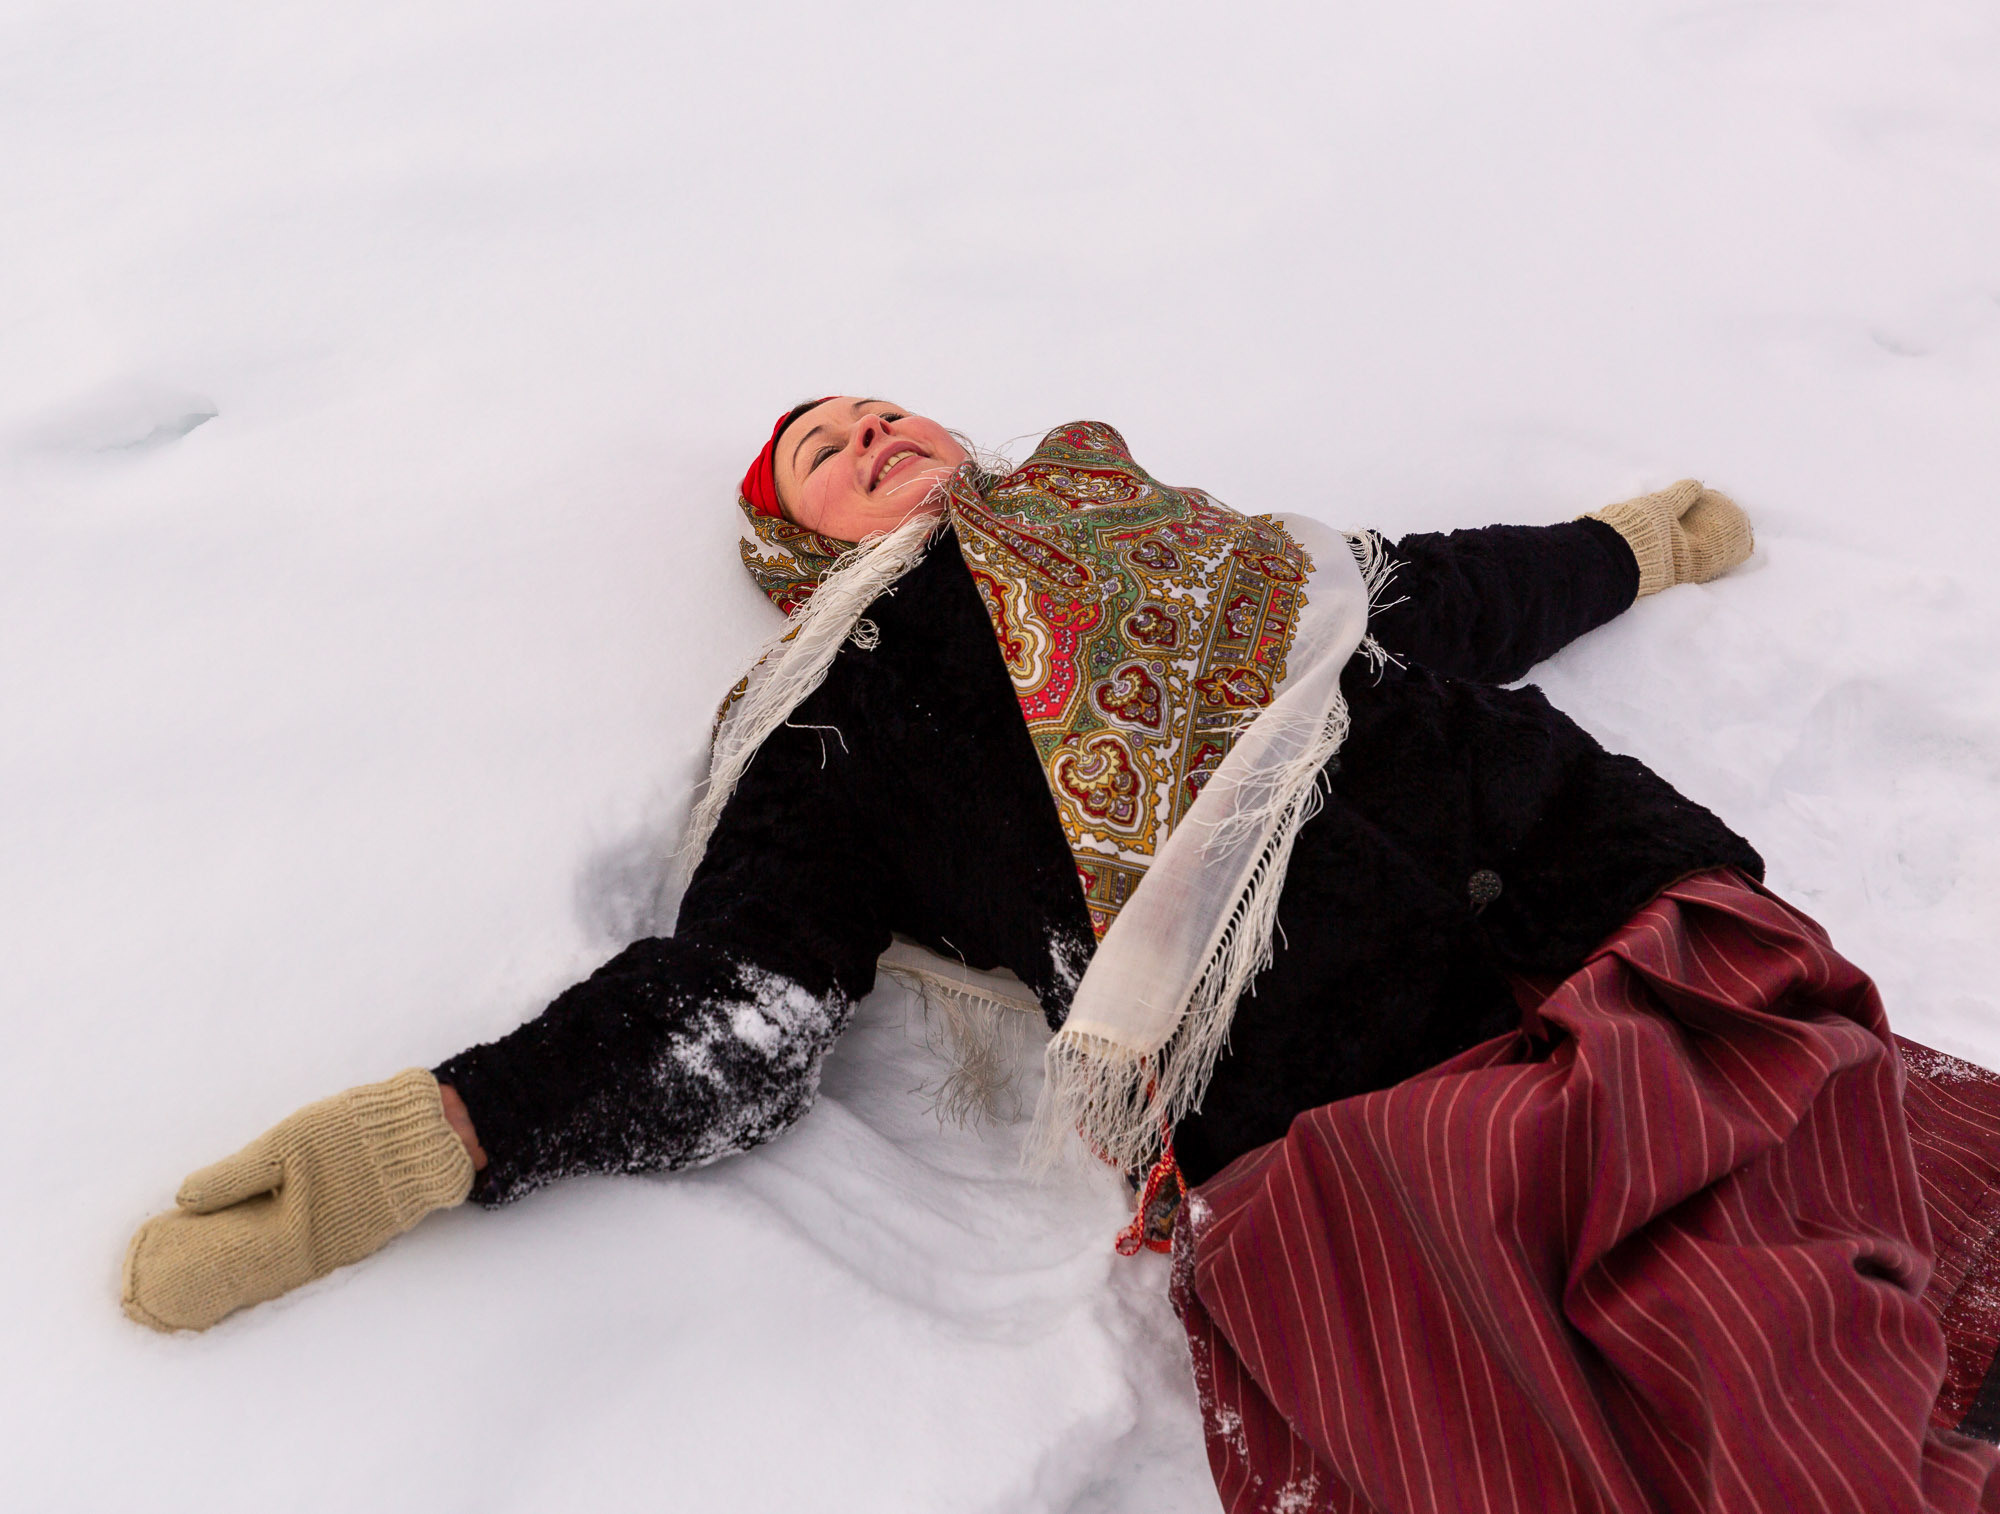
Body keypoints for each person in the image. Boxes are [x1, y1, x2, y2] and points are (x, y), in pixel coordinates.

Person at [122, 399, 2000, 1513]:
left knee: (1861, 1193)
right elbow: (739, 1008)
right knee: (1716, 1369)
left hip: (1599, 884)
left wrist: (1625, 544)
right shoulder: (842, 707)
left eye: (879, 412)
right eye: (831, 462)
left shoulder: (1171, 532)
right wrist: (421, 1141)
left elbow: (1437, 590)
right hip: (1356, 1083)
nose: (875, 441)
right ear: (805, 554)